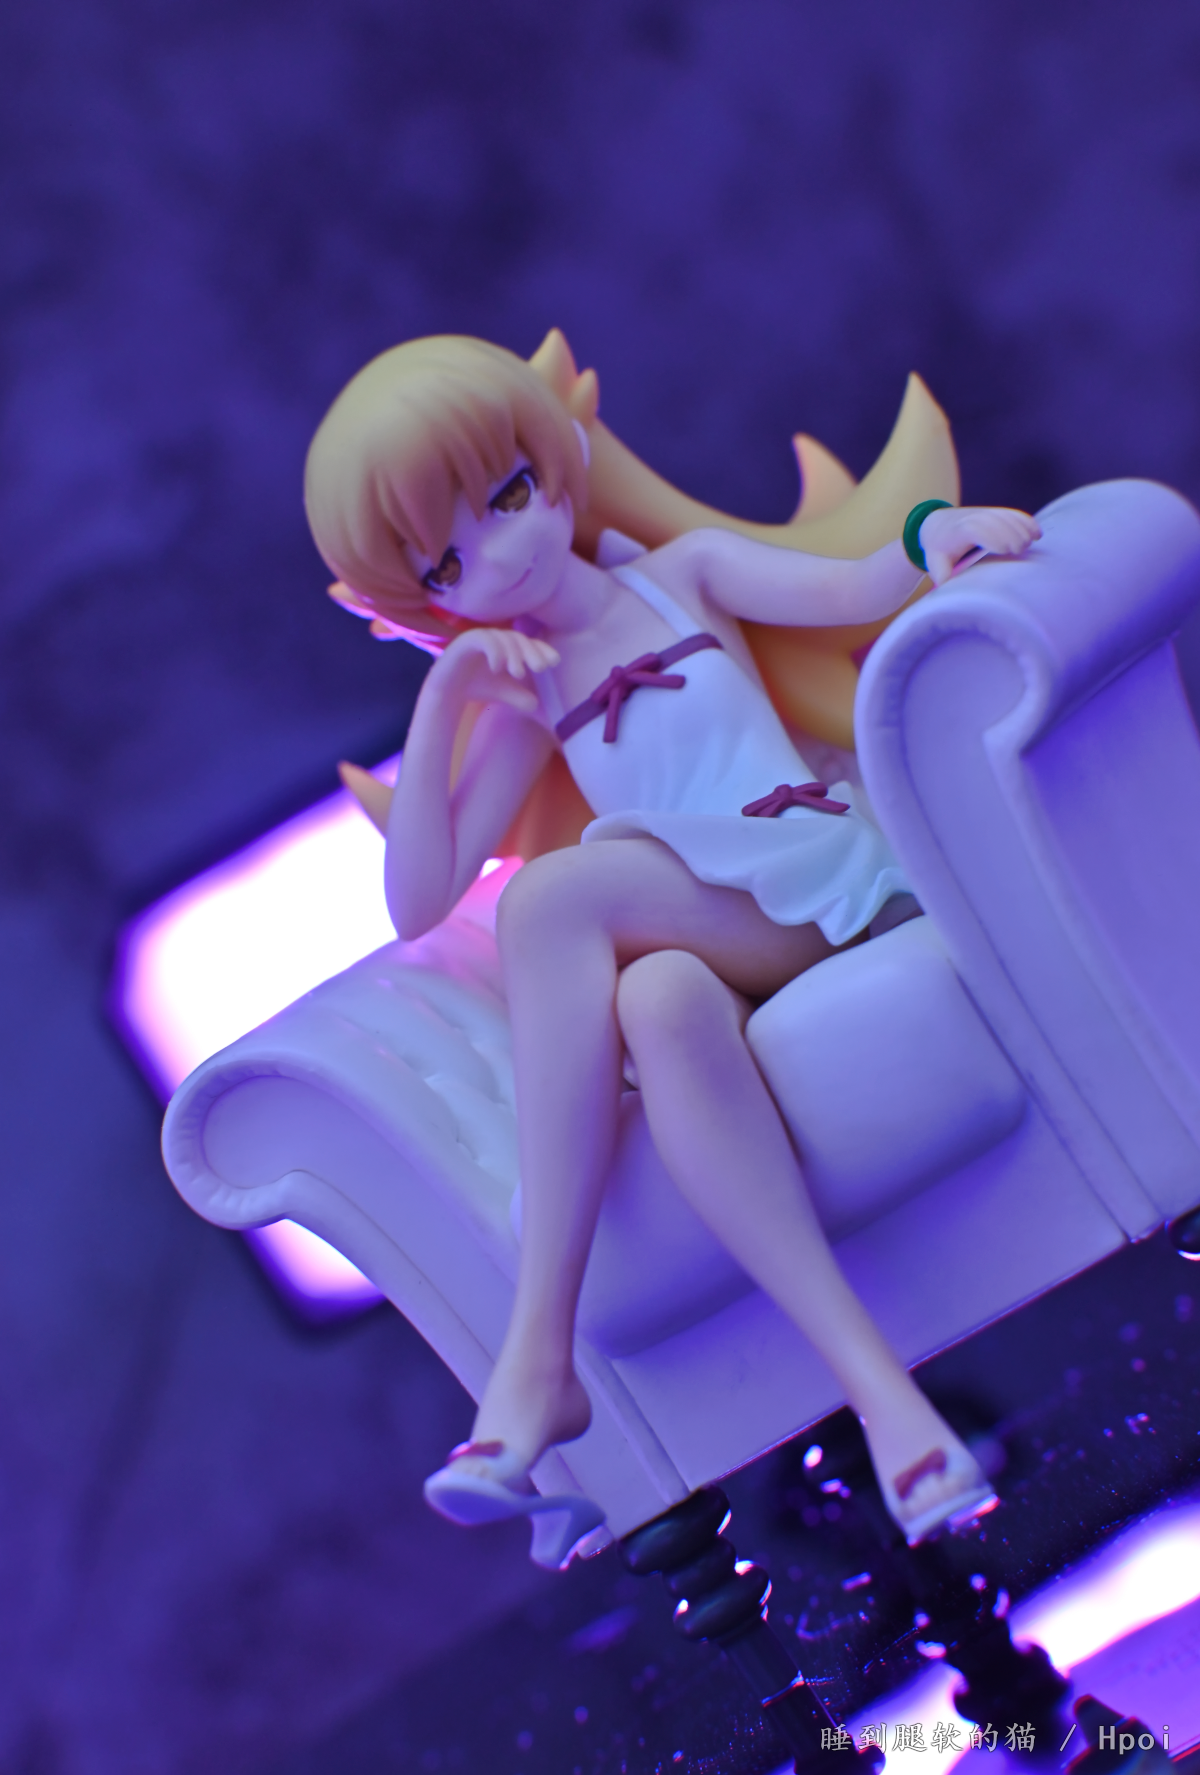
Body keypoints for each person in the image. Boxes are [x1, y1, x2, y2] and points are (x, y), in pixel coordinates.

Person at [304, 331, 1040, 1562]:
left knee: (546, 905)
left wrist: (935, 535)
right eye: (447, 562)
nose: (501, 552)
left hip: (814, 881)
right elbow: (419, 900)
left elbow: (854, 586)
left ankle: (537, 1354)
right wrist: (445, 698)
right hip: (718, 935)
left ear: (557, 458)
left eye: (508, 494)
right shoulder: (529, 701)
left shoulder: (679, 578)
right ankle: (894, 1405)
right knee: (657, 1003)